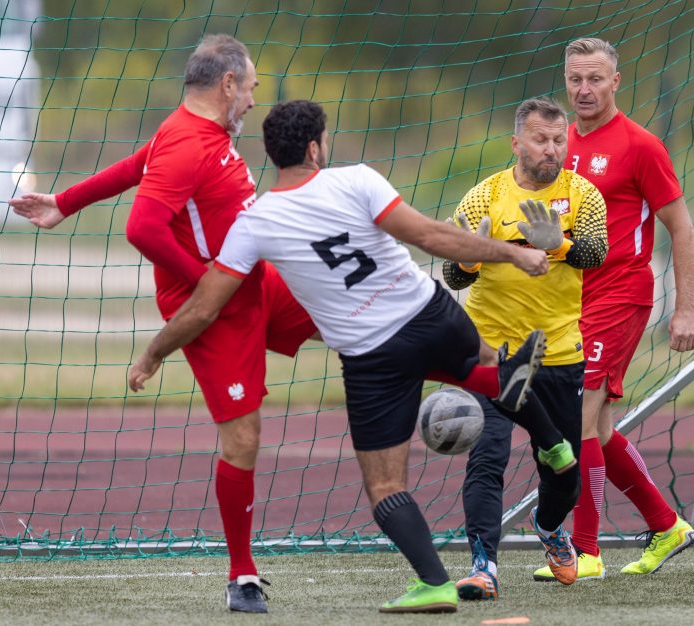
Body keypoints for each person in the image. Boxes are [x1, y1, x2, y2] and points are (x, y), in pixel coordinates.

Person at [127, 99, 574, 614]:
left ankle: (433, 583)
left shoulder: (257, 221)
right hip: (431, 313)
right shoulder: (358, 179)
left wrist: (154, 354)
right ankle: (550, 442)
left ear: (272, 154)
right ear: (316, 147)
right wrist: (516, 252)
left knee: (385, 487)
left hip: (375, 357)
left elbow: (204, 306)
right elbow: (431, 235)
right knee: (483, 367)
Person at [11, 34, 318, 612]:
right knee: (243, 438)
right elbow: (142, 228)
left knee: (359, 319)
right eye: (250, 87)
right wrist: (205, 279)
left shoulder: (193, 131)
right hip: (213, 311)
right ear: (227, 84)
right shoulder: (187, 140)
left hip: (256, 284)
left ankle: (488, 381)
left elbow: (135, 164)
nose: (253, 100)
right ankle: (242, 575)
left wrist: (65, 202)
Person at [532, 37, 694, 582]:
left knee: (575, 418)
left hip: (622, 294)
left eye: (595, 79)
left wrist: (686, 310)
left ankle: (584, 552)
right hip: (570, 302)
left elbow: (681, 230)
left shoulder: (640, 146)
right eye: (575, 79)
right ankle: (666, 524)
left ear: (615, 82)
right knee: (596, 429)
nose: (584, 89)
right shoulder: (557, 145)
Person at [442, 96, 608, 600]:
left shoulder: (584, 194)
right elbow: (452, 274)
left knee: (562, 471)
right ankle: (482, 566)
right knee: (486, 458)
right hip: (492, 353)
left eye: (559, 140)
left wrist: (557, 244)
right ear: (517, 142)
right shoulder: (483, 196)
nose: (552, 149)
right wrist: (473, 257)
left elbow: (597, 253)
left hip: (556, 353)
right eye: (541, 139)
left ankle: (549, 524)